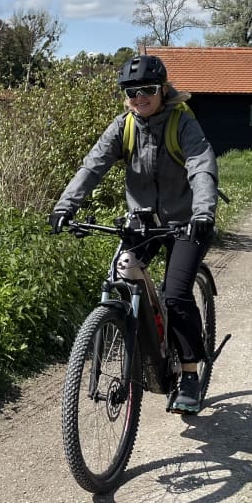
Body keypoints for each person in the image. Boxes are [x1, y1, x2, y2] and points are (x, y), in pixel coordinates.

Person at [49, 54, 219, 413]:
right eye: (130, 91)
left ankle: (189, 372)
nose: (139, 97)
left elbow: (201, 166)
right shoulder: (124, 126)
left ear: (162, 89)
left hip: (187, 221)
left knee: (174, 294)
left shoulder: (181, 123)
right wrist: (66, 205)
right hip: (144, 221)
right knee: (119, 277)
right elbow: (92, 165)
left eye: (147, 90)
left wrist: (203, 213)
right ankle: (135, 339)